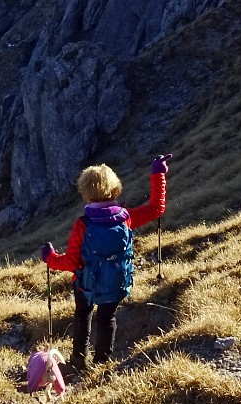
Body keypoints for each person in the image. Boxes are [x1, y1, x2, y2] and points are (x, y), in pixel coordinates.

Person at [41, 155, 170, 371]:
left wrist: (50, 257)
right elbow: (157, 207)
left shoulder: (83, 224)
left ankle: (79, 361)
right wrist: (158, 174)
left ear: (86, 192)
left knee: (83, 314)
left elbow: (71, 262)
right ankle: (102, 363)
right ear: (114, 187)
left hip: (87, 285)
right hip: (116, 282)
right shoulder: (125, 217)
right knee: (107, 318)